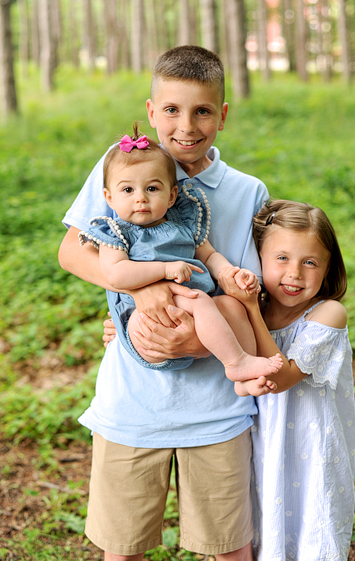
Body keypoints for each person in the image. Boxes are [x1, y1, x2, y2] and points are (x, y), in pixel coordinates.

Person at [58, 46, 268, 561]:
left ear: (222, 115)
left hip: (217, 408)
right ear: (152, 113)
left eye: (202, 111)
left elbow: (247, 293)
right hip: (131, 404)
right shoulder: (124, 166)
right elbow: (71, 251)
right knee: (122, 546)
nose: (187, 126)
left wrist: (197, 341)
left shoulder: (247, 191)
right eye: (172, 110)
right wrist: (138, 287)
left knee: (229, 546)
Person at [79, 126, 281, 391]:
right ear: (109, 198)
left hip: (193, 314)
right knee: (200, 302)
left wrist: (228, 272)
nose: (140, 198)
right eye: (128, 190)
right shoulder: (116, 232)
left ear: (172, 195)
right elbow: (116, 274)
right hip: (147, 323)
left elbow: (208, 254)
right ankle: (236, 362)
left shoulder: (183, 223)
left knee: (232, 307)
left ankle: (245, 378)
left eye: (152, 188)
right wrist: (165, 269)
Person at [219, 200, 354, 559]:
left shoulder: (328, 314)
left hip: (313, 453)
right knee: (267, 528)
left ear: (328, 269)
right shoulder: (255, 310)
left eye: (310, 262)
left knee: (313, 530)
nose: (294, 273)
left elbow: (278, 376)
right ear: (259, 257)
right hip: (264, 447)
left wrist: (249, 309)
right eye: (281, 258)